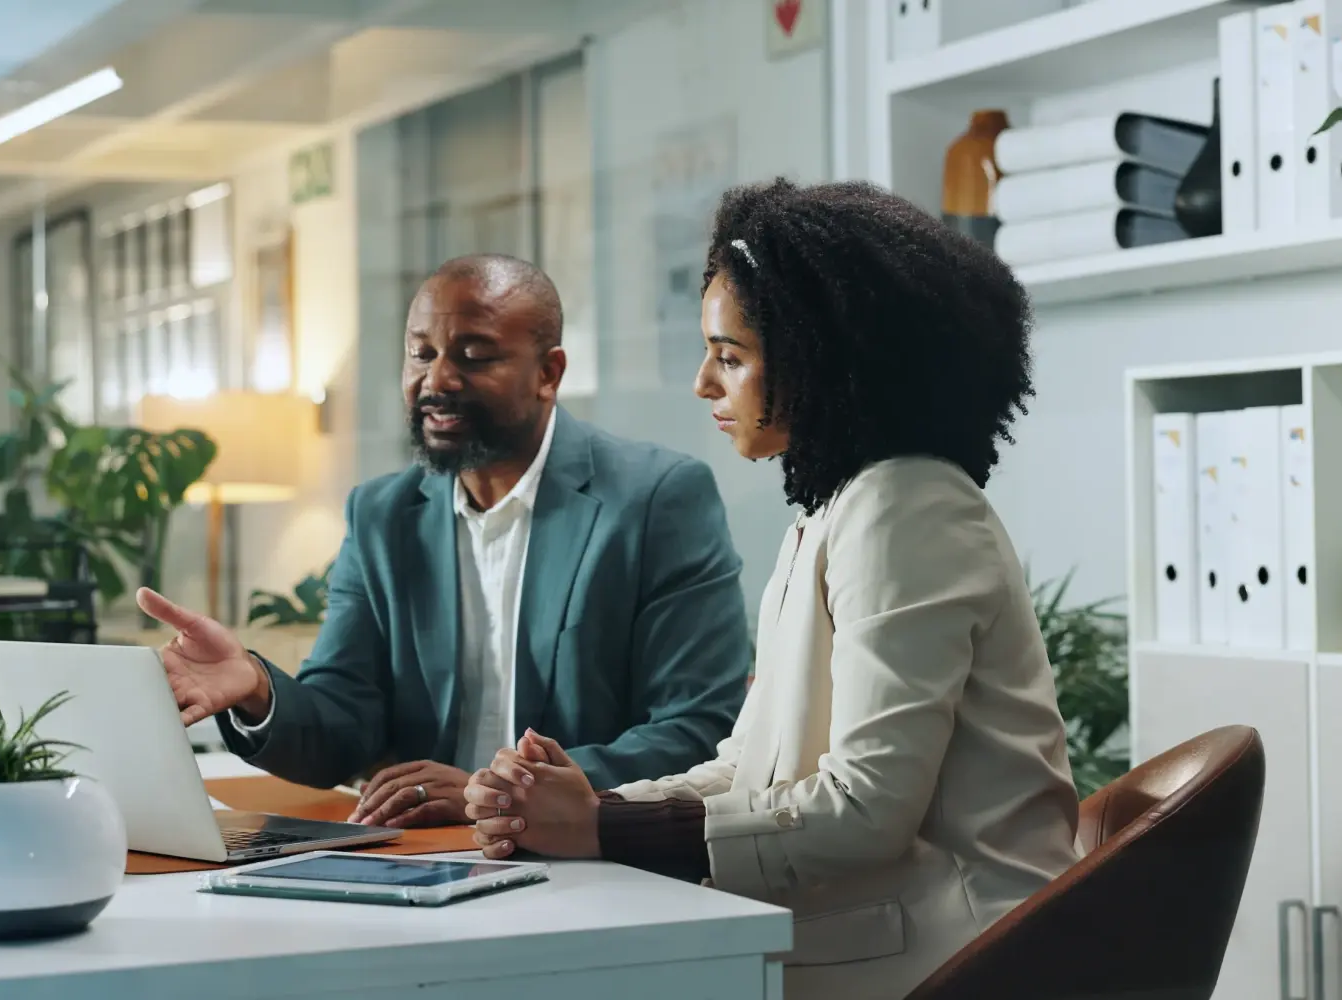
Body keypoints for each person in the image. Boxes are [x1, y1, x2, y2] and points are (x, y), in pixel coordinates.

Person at [463, 181, 1082, 1000]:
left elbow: (864, 811)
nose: (703, 385)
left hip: (965, 958)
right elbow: (745, 768)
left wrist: (603, 827)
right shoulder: (837, 509)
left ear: (819, 360)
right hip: (886, 930)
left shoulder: (908, 506)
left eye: (730, 356)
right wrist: (578, 802)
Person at [137, 253, 751, 830]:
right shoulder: (383, 514)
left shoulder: (656, 498)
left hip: (596, 855)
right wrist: (255, 685)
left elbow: (695, 727)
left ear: (549, 372)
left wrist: (499, 790)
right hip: (424, 859)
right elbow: (344, 722)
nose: (438, 379)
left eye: (474, 355)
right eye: (420, 353)